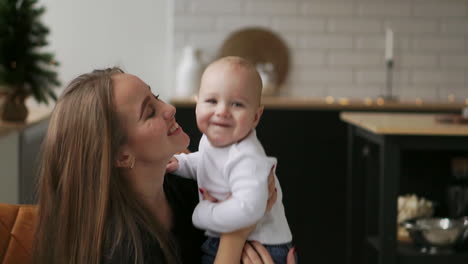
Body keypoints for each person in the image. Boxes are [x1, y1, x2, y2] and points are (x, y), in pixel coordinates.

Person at [32, 67, 295, 264]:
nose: (168, 108)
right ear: (121, 157)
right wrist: (235, 235)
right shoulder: (122, 250)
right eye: (149, 111)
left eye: (155, 96)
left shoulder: (188, 187)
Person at [166, 56, 295, 264]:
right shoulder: (214, 142)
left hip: (262, 247)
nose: (222, 111)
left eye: (237, 104)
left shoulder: (247, 157)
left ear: (255, 117)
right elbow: (208, 163)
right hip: (231, 238)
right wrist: (183, 164)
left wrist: (204, 213)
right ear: (197, 104)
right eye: (211, 101)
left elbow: (248, 209)